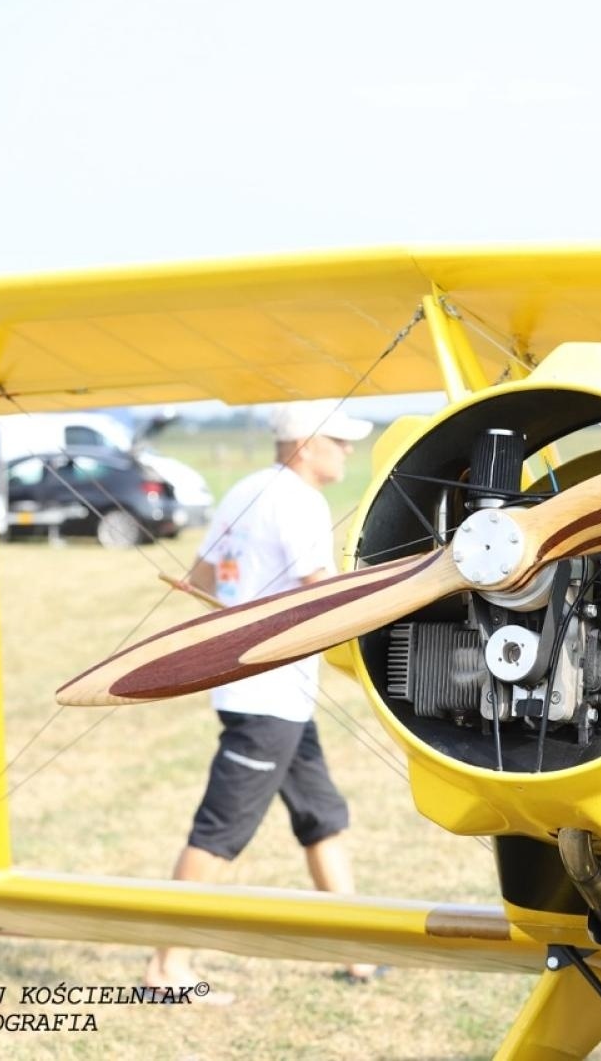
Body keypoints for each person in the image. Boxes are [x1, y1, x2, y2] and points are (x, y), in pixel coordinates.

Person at [144, 399, 378, 997]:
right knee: (219, 833)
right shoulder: (298, 501)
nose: (348, 451)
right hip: (267, 699)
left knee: (321, 817)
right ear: (305, 443)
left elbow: (199, 580)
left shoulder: (245, 489)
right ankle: (165, 968)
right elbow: (321, 594)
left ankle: (357, 953)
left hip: (277, 698)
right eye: (339, 441)